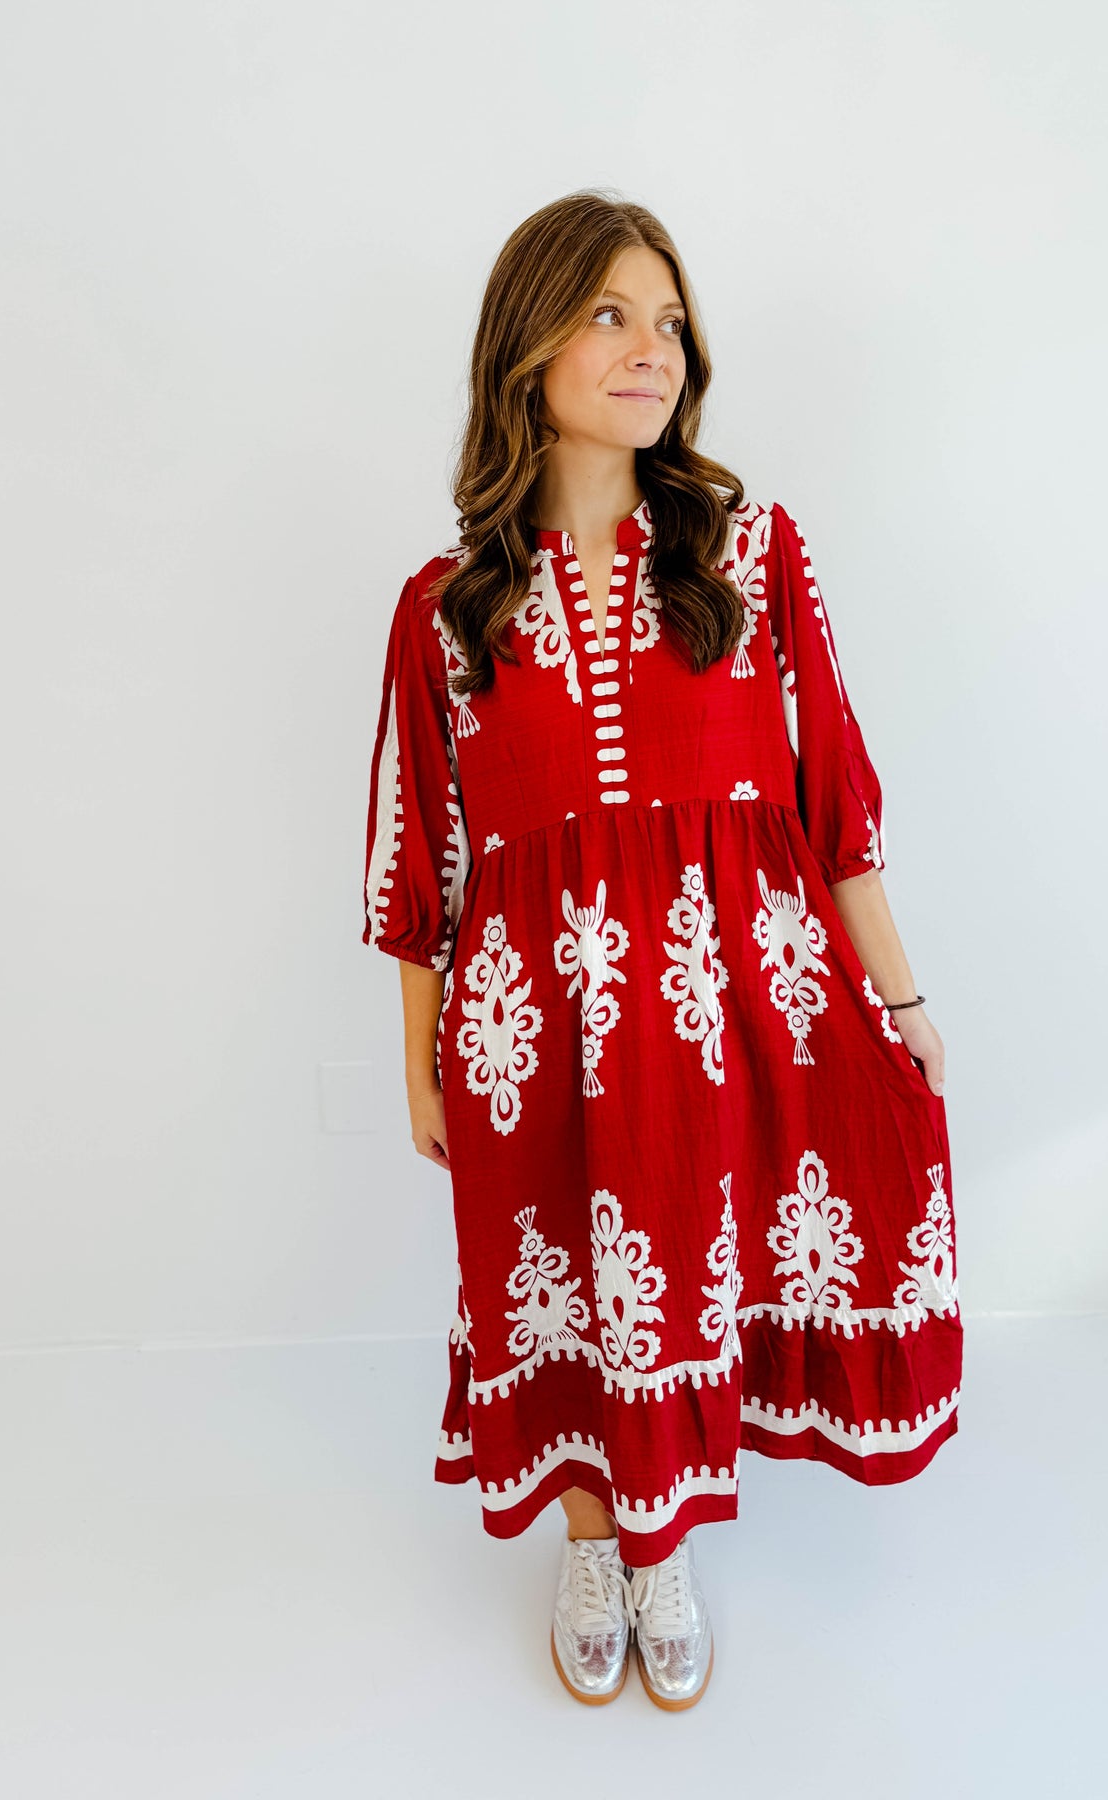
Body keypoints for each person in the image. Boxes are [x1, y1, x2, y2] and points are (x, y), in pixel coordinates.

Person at [361, 189, 963, 1710]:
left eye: (671, 321)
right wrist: (419, 1058)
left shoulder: (751, 554)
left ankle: (666, 1542)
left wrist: (898, 996)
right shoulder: (445, 610)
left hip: (728, 1000)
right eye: (610, 314)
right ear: (527, 348)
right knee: (563, 1270)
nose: (652, 350)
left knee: (689, 1266)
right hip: (532, 1023)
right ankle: (592, 1540)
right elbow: (425, 857)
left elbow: (831, 799)